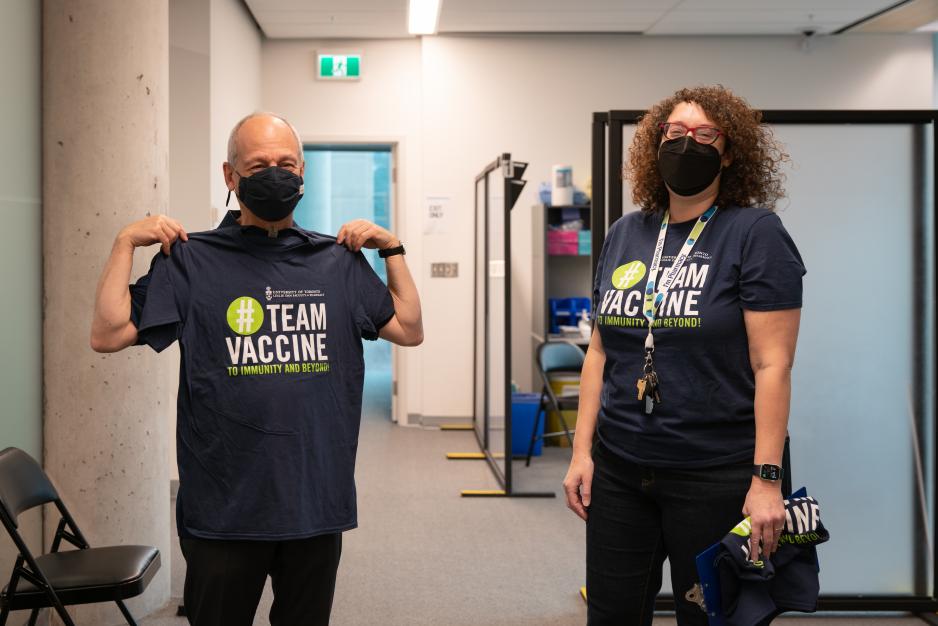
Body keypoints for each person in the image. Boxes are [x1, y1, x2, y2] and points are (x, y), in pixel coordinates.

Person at [90, 112, 423, 626]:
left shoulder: (336, 261)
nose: (275, 173)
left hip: (314, 501)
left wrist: (392, 249)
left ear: (303, 172)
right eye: (259, 164)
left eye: (286, 163)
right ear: (231, 176)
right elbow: (108, 334)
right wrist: (123, 243)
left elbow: (408, 327)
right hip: (225, 509)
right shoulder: (191, 260)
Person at [562, 85, 805, 625]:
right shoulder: (628, 232)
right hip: (623, 468)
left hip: (716, 472)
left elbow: (773, 365)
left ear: (729, 151)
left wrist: (767, 480)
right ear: (656, 143)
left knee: (712, 618)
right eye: (674, 132)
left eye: (704, 134)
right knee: (611, 615)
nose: (686, 143)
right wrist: (583, 454)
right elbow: (600, 351)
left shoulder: (753, 232)